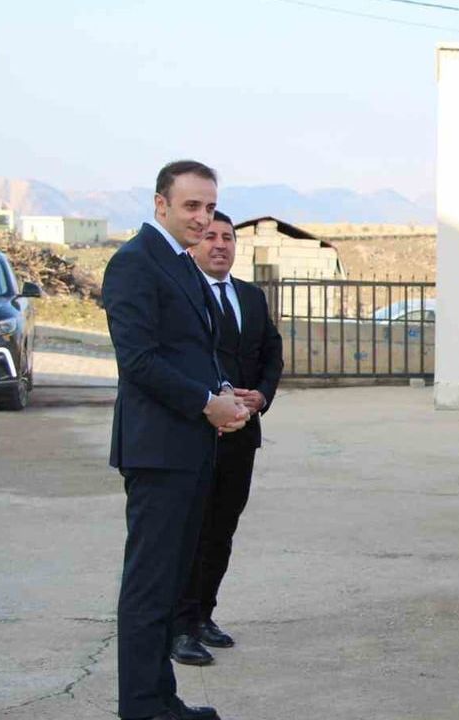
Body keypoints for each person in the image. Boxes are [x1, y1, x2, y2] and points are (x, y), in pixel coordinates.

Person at [103, 160, 249, 720]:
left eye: (210, 207)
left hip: (191, 448)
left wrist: (224, 395)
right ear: (160, 205)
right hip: (159, 451)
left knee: (169, 586)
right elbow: (138, 361)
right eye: (191, 206)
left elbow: (191, 351)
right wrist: (204, 403)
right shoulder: (135, 263)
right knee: (148, 587)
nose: (202, 217)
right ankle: (141, 707)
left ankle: (160, 697)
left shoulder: (180, 266)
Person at [171, 211, 283, 666]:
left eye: (228, 238)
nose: (220, 244)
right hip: (195, 434)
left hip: (241, 437)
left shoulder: (251, 297)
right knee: (187, 532)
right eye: (211, 236)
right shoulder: (182, 295)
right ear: (196, 243)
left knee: (221, 530)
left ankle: (203, 616)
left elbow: (272, 355)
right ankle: (177, 627)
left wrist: (261, 396)